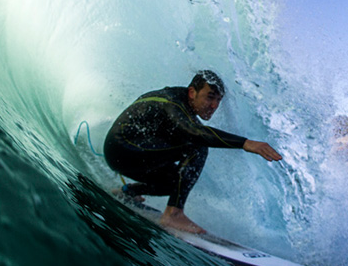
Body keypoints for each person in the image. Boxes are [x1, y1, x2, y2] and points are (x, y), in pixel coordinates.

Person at [103, 70, 282, 234]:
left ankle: (127, 192)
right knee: (197, 146)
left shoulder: (184, 108)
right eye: (210, 97)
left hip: (132, 154)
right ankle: (173, 214)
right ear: (191, 93)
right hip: (122, 149)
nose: (214, 106)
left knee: (177, 182)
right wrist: (245, 143)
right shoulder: (172, 103)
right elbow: (193, 133)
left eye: (218, 100)